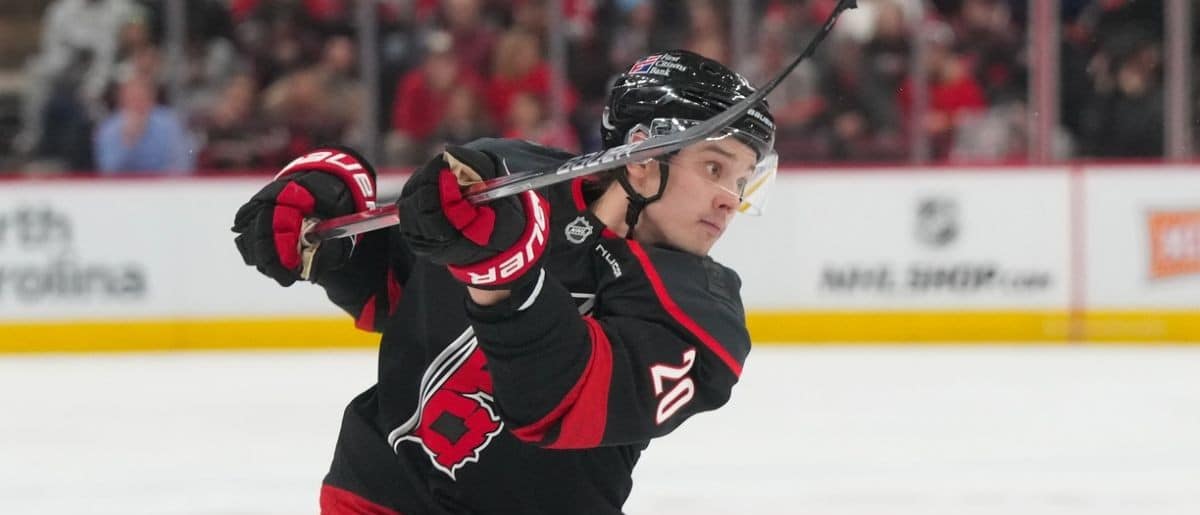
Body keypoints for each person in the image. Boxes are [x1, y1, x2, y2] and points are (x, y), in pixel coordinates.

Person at [231, 49, 777, 514]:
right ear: (641, 156)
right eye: (714, 167)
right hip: (378, 493)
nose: (731, 198)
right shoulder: (507, 177)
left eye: (743, 179)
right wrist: (333, 226)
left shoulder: (702, 318)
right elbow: (399, 292)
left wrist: (507, 281)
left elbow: (557, 403)